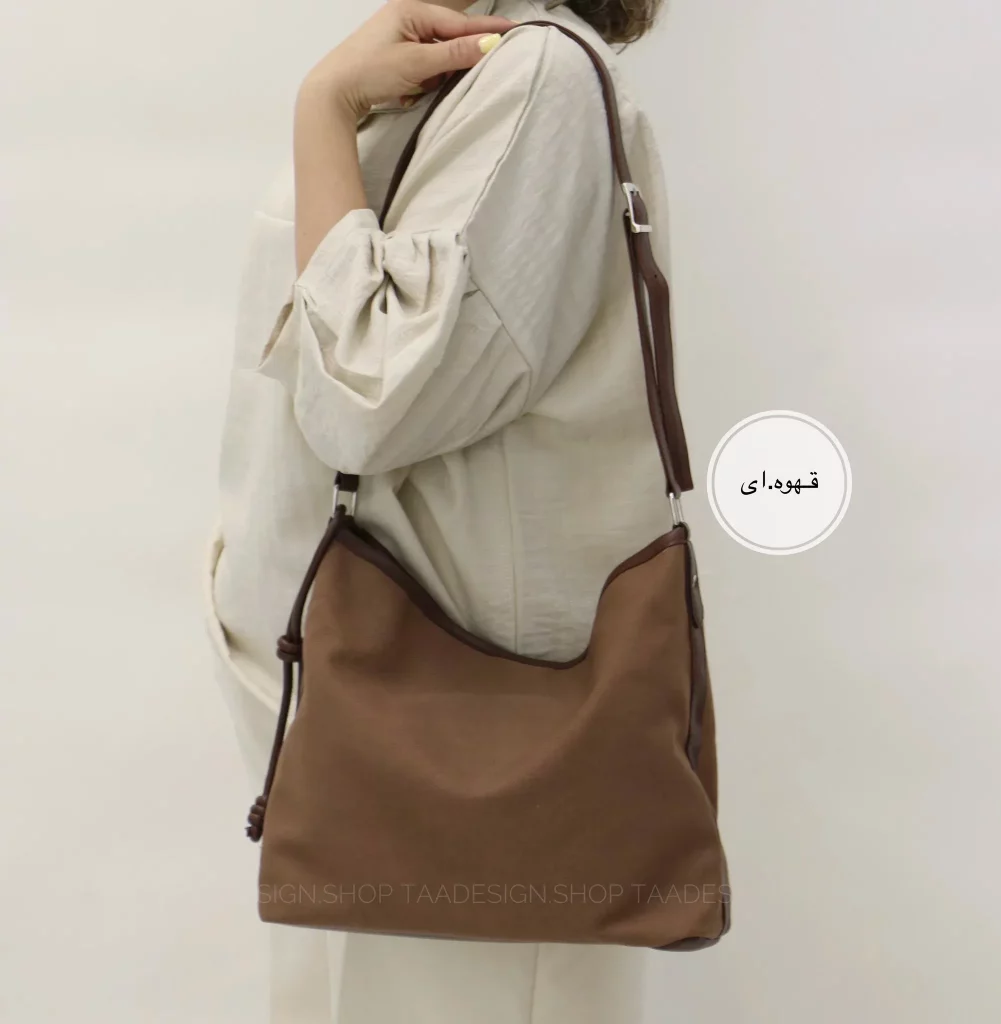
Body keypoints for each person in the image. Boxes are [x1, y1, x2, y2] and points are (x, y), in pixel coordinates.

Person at [201, 0, 681, 1020]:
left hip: (464, 770)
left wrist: (322, 109)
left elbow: (365, 401)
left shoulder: (537, 78)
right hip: (356, 755)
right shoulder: (448, 73)